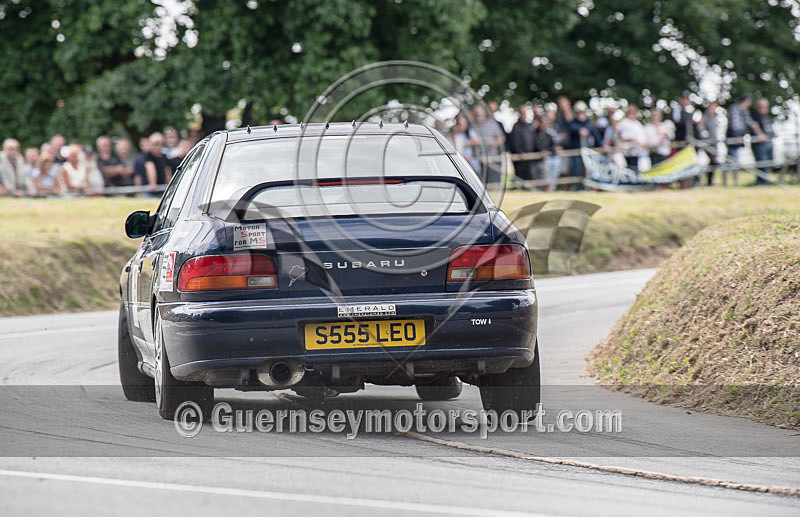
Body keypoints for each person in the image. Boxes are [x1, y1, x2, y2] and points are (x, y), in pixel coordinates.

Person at [725, 95, 762, 186]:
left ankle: (731, 182)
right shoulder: (735, 108)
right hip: (733, 137)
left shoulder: (744, 110)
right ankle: (734, 183)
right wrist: (736, 136)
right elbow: (735, 124)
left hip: (739, 137)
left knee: (730, 160)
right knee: (733, 159)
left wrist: (759, 133)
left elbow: (750, 123)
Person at [566, 101, 602, 189]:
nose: (580, 114)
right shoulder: (573, 123)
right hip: (577, 152)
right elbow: (572, 128)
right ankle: (575, 187)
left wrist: (600, 146)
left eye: (582, 112)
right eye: (578, 112)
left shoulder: (589, 124)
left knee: (588, 170)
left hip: (587, 152)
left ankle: (588, 187)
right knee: (576, 170)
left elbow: (596, 135)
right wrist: (579, 130)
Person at [472, 105, 505, 184]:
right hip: (478, 160)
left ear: (483, 114)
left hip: (492, 158)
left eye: (478, 114)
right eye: (475, 115)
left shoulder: (492, 124)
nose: (477, 117)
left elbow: (502, 137)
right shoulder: (472, 126)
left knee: (494, 182)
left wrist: (495, 143)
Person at [508, 104, 537, 181]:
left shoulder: (529, 126)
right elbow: (514, 142)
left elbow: (534, 140)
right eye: (522, 112)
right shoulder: (516, 127)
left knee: (529, 177)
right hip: (520, 158)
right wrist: (520, 152)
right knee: (520, 177)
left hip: (529, 157)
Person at [534, 113, 562, 192]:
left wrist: (554, 149)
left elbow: (553, 145)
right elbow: (535, 145)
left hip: (550, 158)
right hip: (540, 161)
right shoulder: (534, 134)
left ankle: (551, 190)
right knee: (544, 178)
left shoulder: (548, 134)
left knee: (552, 177)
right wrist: (541, 151)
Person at [751, 98, 775, 185]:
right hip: (760, 144)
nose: (765, 108)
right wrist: (760, 135)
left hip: (769, 142)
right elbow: (755, 126)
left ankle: (764, 182)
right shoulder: (755, 115)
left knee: (768, 163)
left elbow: (769, 128)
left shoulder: (767, 117)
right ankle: (761, 183)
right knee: (762, 163)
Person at [616, 104, 648, 170]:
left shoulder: (638, 124)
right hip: (624, 151)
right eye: (630, 111)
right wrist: (621, 140)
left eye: (633, 111)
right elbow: (615, 134)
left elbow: (642, 138)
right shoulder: (623, 123)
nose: (631, 113)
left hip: (636, 151)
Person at [700, 101, 721, 185]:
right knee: (708, 162)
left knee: (713, 163)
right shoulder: (704, 118)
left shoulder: (715, 118)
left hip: (714, 144)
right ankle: (705, 181)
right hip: (707, 144)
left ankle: (710, 181)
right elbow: (703, 132)